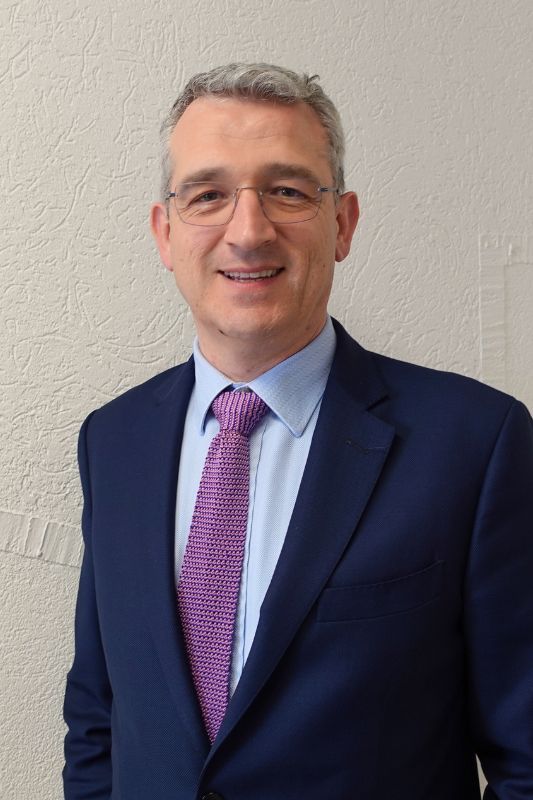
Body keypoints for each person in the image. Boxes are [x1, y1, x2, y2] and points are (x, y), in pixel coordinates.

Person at [63, 63, 533, 800]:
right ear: (164, 232)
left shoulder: (476, 444)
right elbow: (98, 716)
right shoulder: (112, 441)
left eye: (285, 190)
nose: (247, 231)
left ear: (341, 223)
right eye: (208, 194)